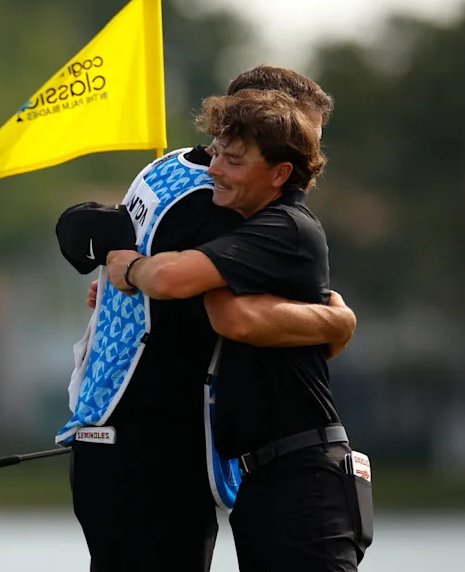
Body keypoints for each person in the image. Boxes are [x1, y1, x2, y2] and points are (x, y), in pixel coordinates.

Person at [55, 67, 357, 572]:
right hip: (159, 455)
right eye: (295, 142)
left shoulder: (166, 170)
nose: (306, 163)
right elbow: (228, 313)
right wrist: (338, 321)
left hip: (116, 439)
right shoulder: (226, 206)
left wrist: (125, 276)